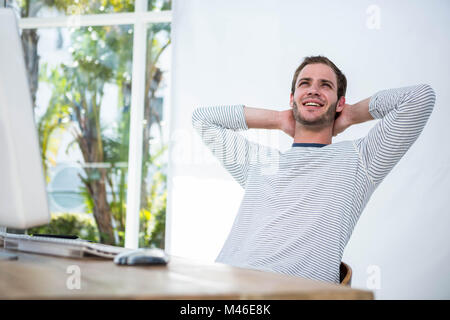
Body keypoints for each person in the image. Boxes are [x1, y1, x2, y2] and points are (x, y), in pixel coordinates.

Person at [191, 55, 436, 283]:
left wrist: (349, 115)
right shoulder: (260, 162)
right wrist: (278, 119)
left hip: (295, 293)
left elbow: (419, 98)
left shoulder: (360, 160)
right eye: (305, 83)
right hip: (226, 287)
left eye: (325, 86)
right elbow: (202, 119)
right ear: (292, 98)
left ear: (340, 102)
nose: (313, 90)